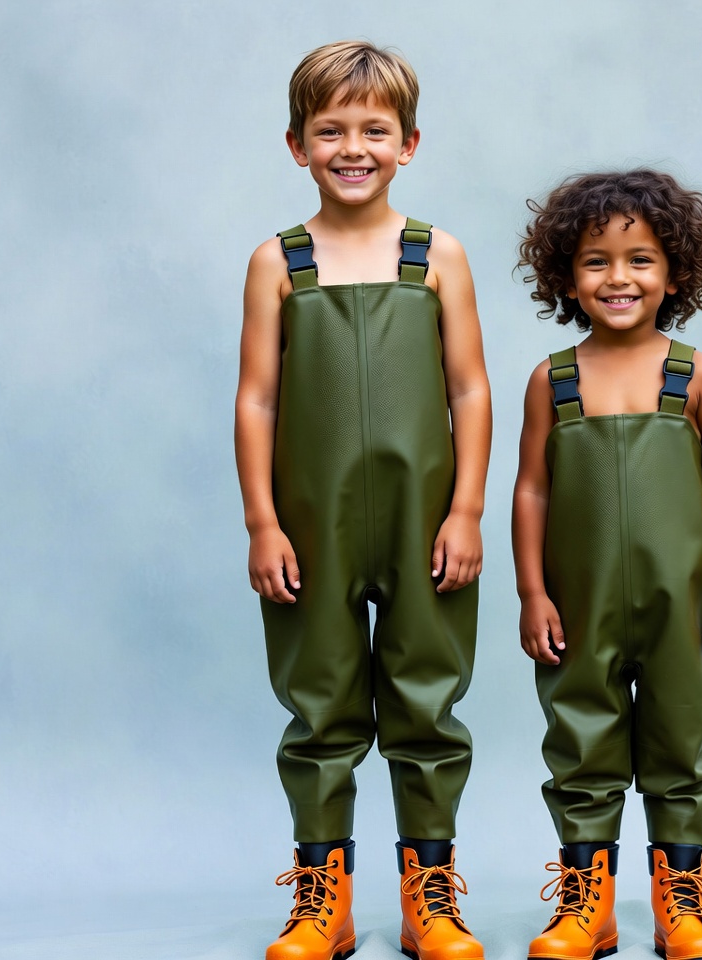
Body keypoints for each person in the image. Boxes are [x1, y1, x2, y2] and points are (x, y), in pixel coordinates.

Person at [235, 40, 492, 960]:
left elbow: (469, 389)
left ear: (409, 143)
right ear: (297, 144)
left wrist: (465, 510)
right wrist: (264, 522)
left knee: (427, 705)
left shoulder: (438, 256)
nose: (354, 147)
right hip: (312, 529)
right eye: (330, 129)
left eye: (374, 130)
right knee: (320, 708)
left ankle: (431, 896)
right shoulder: (278, 262)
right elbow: (257, 397)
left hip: (429, 528)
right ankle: (323, 900)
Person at [512, 169, 702, 960]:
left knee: (681, 745)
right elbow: (532, 491)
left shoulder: (696, 375)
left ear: (676, 271)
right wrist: (531, 593)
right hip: (578, 610)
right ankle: (588, 905)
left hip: (683, 608)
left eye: (640, 259)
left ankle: (679, 905)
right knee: (582, 745)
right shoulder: (554, 380)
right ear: (566, 278)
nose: (619, 278)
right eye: (596, 261)